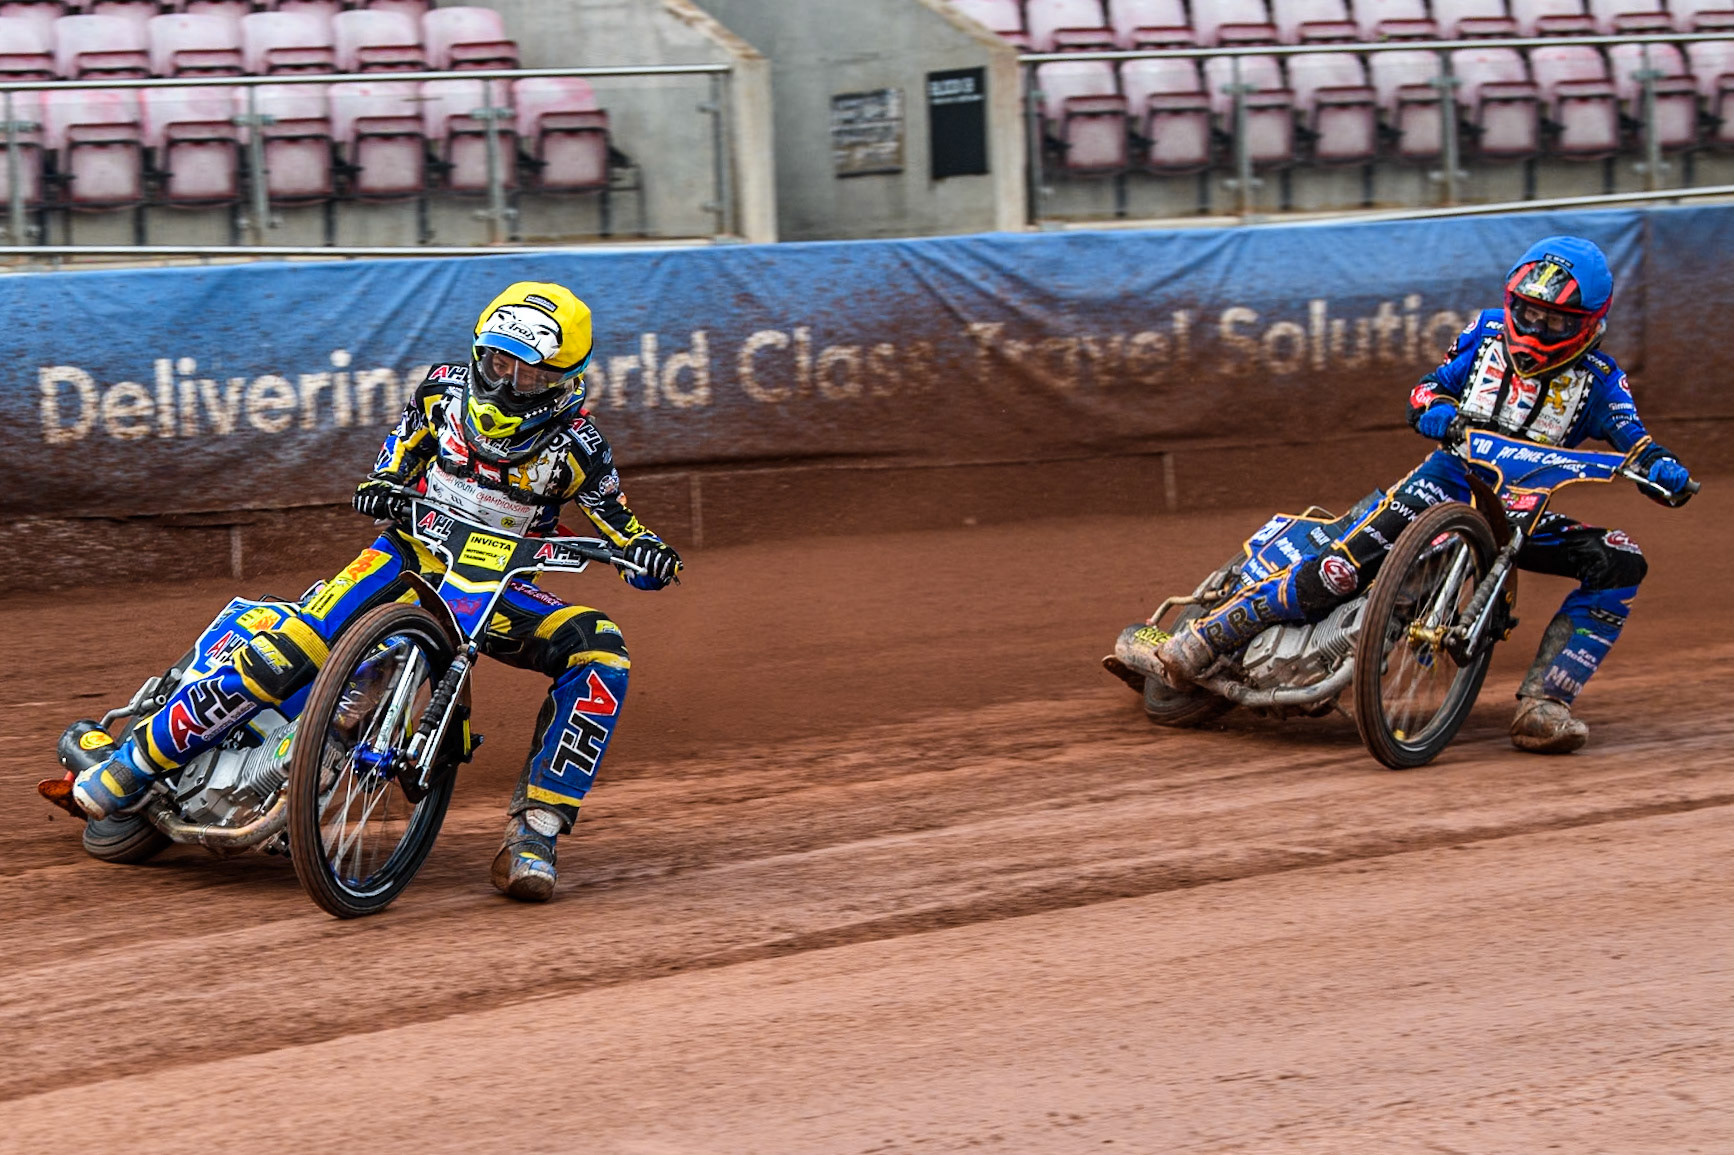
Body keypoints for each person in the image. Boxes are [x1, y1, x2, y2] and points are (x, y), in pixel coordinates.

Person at [72, 281, 682, 901]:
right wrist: (384, 481)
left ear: (565, 380)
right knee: (289, 648)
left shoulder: (578, 449)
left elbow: (623, 531)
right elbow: (397, 455)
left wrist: (645, 556)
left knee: (600, 651)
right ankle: (132, 766)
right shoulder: (442, 390)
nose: (506, 383)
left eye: (527, 374)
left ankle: (535, 836)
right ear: (480, 353)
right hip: (407, 556)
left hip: (496, 590)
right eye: (498, 362)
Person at [1119, 236, 1693, 753]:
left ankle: (1546, 702)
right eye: (1528, 313)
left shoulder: (1602, 379)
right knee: (1339, 572)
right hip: (1441, 481)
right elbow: (1424, 390)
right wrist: (1440, 412)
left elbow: (1633, 436)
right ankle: (1199, 640)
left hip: (1520, 512)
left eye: (1553, 322)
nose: (1535, 330)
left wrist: (1661, 467)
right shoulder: (1486, 332)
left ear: (1590, 323)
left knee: (1620, 560)